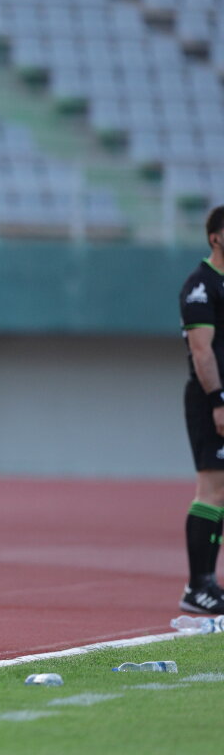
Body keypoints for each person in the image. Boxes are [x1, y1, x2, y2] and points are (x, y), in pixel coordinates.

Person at [178, 204, 224, 613]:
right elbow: (201, 350)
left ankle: (209, 584)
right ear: (215, 237)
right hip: (212, 401)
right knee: (212, 488)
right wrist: (217, 401)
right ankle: (199, 586)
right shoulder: (201, 286)